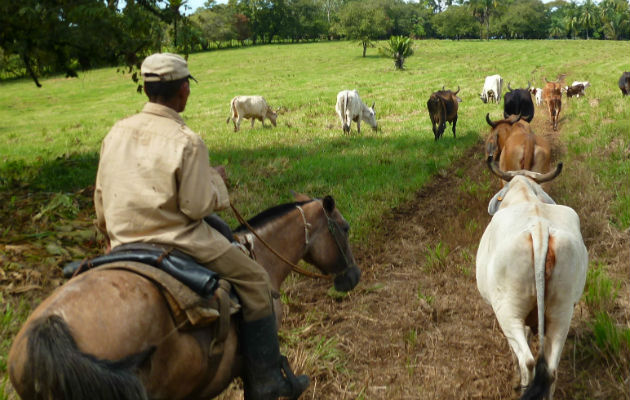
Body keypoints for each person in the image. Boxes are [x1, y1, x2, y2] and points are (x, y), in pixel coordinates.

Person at [93, 52, 309, 400]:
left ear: (147, 90)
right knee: (256, 281)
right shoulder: (187, 141)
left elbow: (101, 208)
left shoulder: (115, 133)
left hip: (121, 242)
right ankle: (267, 381)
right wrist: (215, 182)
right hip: (180, 241)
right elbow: (195, 206)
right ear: (183, 91)